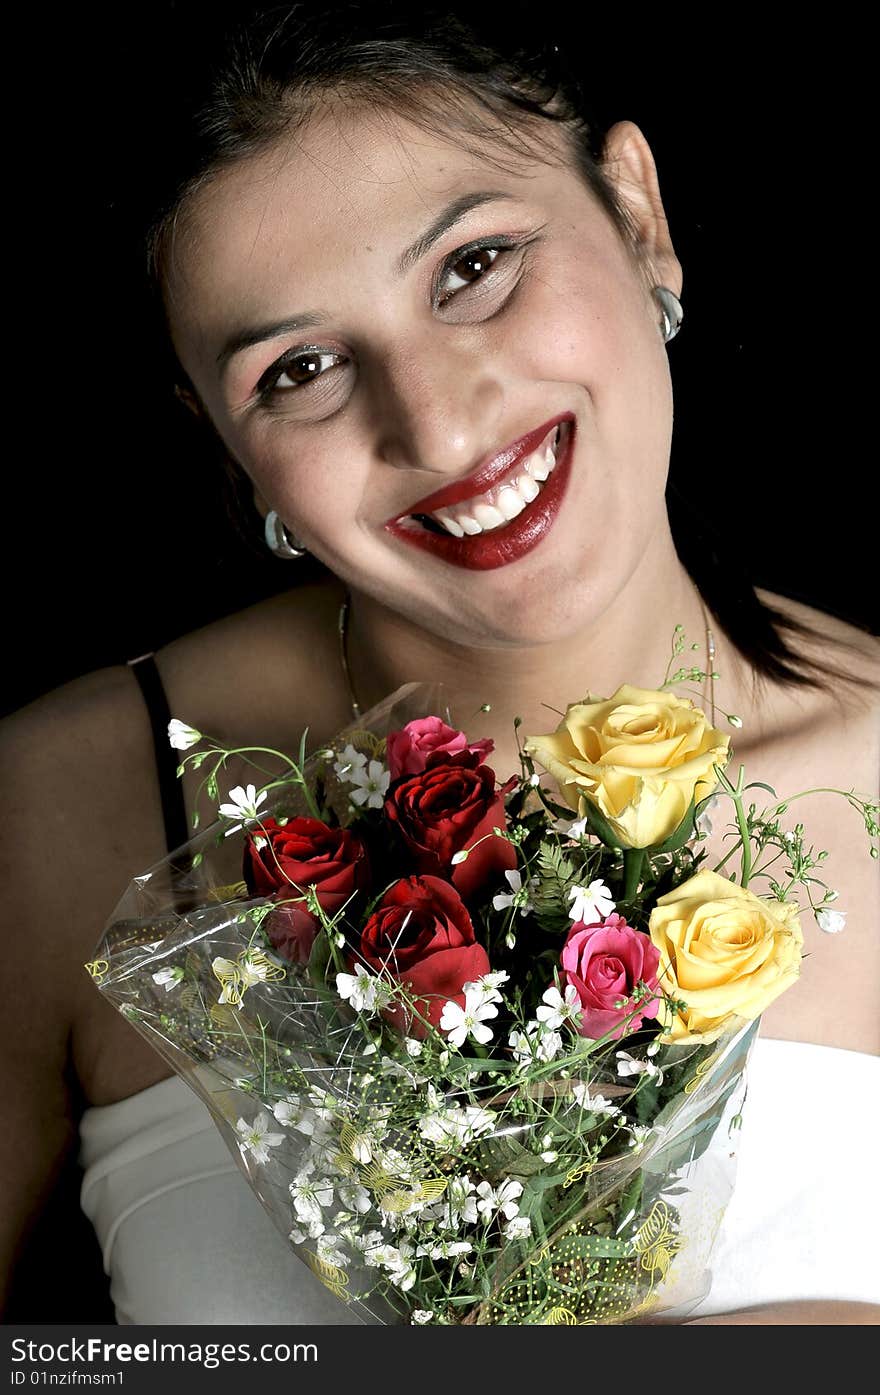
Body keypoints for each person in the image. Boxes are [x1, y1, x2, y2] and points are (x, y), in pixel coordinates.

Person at [2, 2, 878, 1326]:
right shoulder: (59, 813)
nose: (438, 420)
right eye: (299, 367)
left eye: (473, 268)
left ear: (637, 215)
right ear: (225, 447)